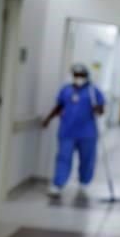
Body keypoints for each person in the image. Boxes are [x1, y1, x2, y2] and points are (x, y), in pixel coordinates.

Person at [41, 64, 105, 198]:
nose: (78, 78)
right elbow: (59, 106)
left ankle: (84, 182)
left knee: (87, 159)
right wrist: (48, 119)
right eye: (76, 75)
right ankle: (58, 184)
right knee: (63, 158)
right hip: (67, 131)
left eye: (81, 75)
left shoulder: (93, 91)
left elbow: (101, 110)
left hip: (87, 133)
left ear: (86, 76)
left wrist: (97, 108)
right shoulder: (66, 90)